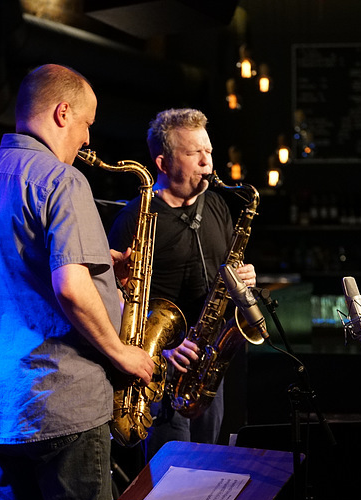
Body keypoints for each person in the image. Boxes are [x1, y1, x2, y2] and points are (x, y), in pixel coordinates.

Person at [0, 63, 154, 500]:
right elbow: (69, 287)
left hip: (2, 404)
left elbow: (15, 266)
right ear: (63, 113)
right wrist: (121, 353)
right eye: (86, 124)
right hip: (62, 401)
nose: (87, 140)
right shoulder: (62, 180)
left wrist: (98, 262)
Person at [108, 108, 257, 470]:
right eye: (195, 154)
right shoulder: (136, 219)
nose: (208, 162)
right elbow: (112, 297)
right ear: (163, 161)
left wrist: (244, 279)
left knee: (208, 475)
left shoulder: (219, 206)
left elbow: (225, 271)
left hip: (207, 365)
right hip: (161, 369)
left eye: (208, 151)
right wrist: (162, 349)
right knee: (171, 483)